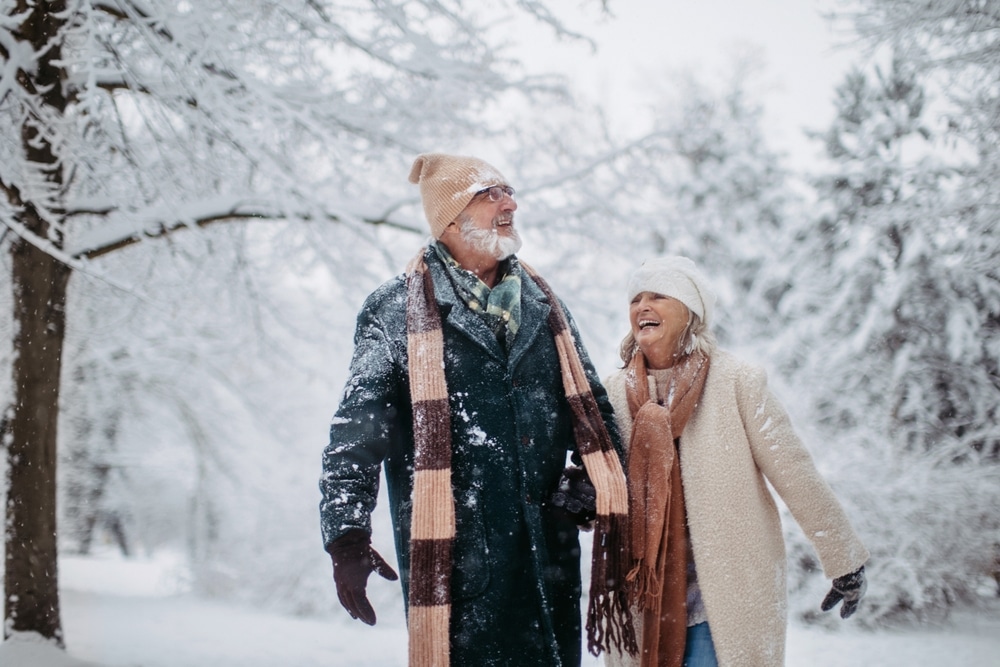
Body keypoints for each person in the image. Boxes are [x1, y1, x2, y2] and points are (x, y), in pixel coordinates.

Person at [319, 153, 635, 667]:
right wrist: (346, 534)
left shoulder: (542, 303)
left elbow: (592, 408)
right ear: (450, 218)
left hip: (547, 560)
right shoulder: (395, 309)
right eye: (491, 194)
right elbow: (358, 430)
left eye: (508, 191)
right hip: (458, 561)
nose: (510, 203)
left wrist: (591, 483)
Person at [604, 256, 870, 667]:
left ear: (691, 311)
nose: (643, 306)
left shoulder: (736, 383)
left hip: (726, 599)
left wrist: (843, 556)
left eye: (658, 295)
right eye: (636, 298)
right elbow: (604, 485)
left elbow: (794, 471)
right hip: (645, 599)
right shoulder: (615, 393)